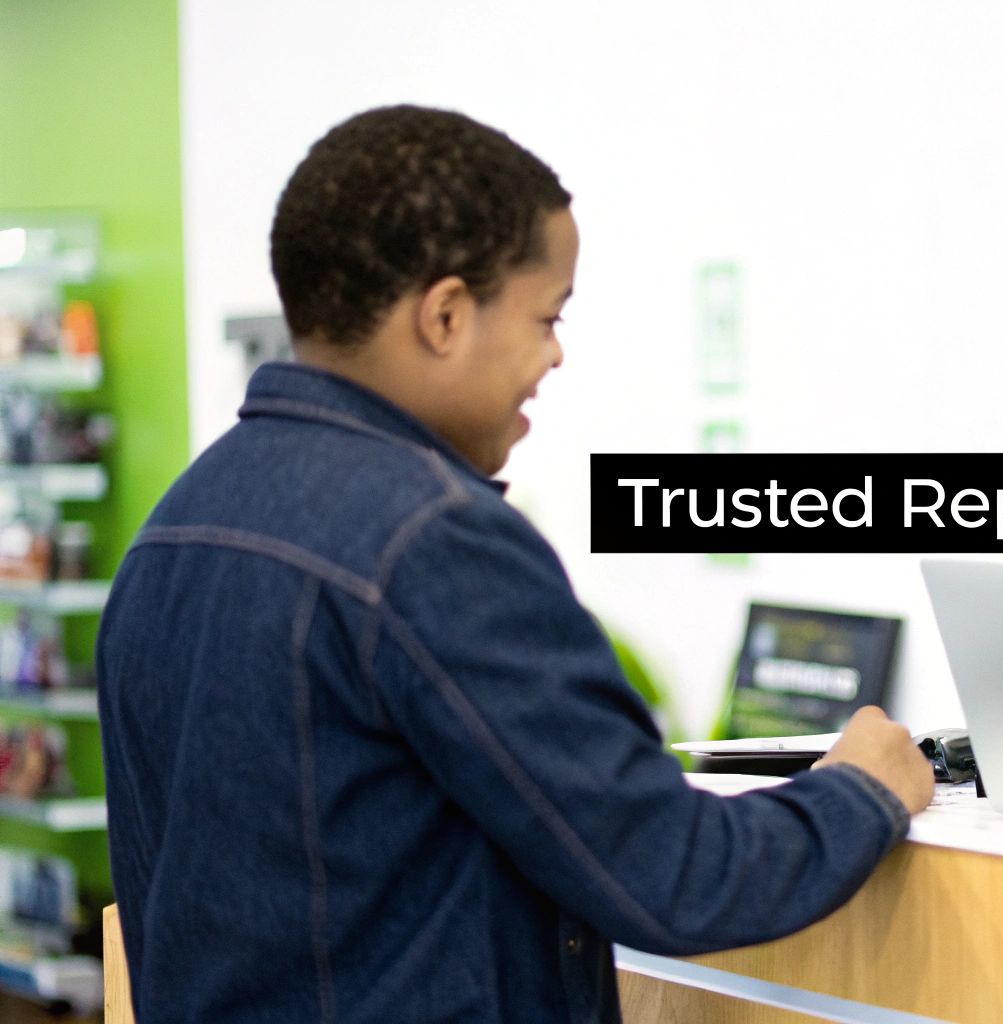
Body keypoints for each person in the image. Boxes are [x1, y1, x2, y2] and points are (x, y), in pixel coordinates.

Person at [97, 105, 933, 1023]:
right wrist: (862, 788)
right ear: (447, 315)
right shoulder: (433, 539)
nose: (556, 354)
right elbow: (673, 875)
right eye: (547, 315)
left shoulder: (173, 528)